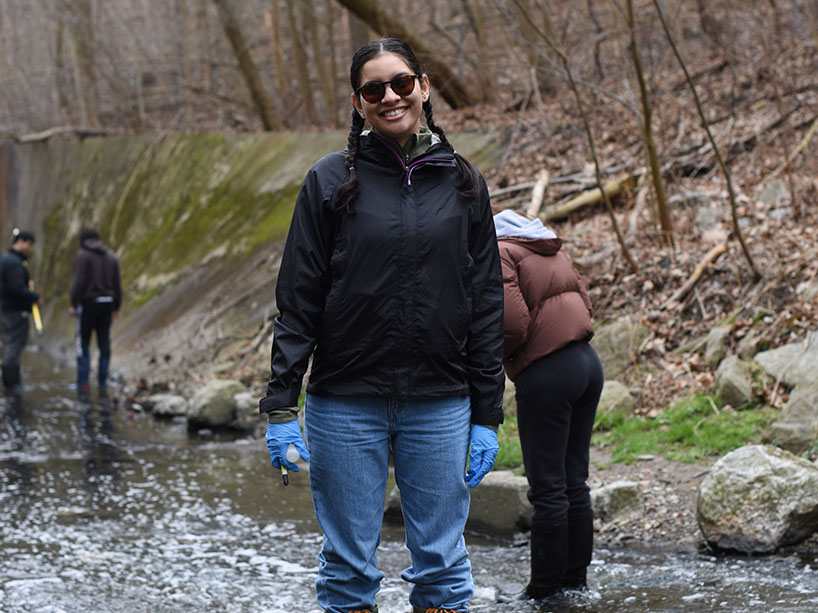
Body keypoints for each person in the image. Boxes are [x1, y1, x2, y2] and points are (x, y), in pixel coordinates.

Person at [259, 38, 505, 613]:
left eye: (401, 83)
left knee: (443, 568)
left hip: (441, 401)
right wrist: (280, 406)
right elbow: (298, 299)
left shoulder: (463, 182)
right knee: (347, 568)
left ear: (423, 87)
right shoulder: (328, 181)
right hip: (344, 401)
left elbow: (486, 300)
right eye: (375, 89)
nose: (390, 97)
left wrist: (487, 412)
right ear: (357, 102)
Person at [493, 208, 603, 601]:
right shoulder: (549, 246)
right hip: (587, 363)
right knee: (575, 481)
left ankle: (542, 591)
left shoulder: (502, 251)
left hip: (548, 371)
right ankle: (575, 582)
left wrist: (501, 358)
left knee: (549, 488)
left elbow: (509, 322)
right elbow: (586, 304)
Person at [69, 228, 122, 392]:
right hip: (108, 303)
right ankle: (102, 383)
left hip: (89, 304)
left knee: (83, 343)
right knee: (104, 342)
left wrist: (74, 303)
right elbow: (117, 285)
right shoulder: (111, 256)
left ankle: (83, 384)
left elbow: (78, 282)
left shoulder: (83, 256)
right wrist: (117, 306)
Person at [0, 229, 40, 391]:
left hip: (11, 309)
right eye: (29, 244)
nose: (29, 248)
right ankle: (12, 383)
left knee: (13, 344)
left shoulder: (9, 260)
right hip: (16, 310)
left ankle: (12, 382)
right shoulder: (14, 262)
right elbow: (17, 288)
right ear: (21, 241)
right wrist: (34, 297)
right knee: (15, 345)